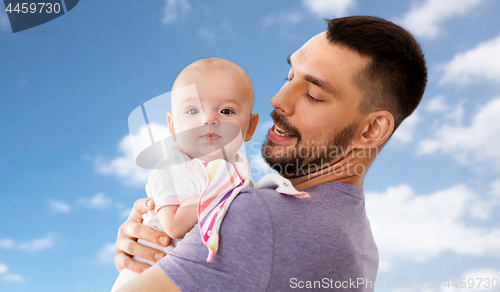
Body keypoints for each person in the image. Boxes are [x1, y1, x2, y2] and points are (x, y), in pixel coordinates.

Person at [114, 16, 427, 292]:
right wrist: (162, 244)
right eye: (289, 77)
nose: (278, 100)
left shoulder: (256, 217)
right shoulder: (361, 244)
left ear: (372, 130)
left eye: (314, 94)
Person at [111, 57, 261, 290]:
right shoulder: (171, 166)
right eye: (192, 110)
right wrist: (214, 201)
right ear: (173, 127)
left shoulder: (237, 164)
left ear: (250, 127)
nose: (208, 119)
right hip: (147, 273)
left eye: (226, 110)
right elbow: (173, 226)